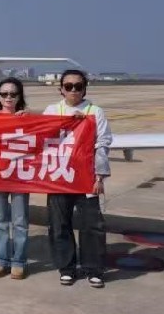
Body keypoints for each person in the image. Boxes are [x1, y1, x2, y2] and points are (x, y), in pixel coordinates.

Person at [42, 69, 113, 288]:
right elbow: (41, 135)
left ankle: (93, 268)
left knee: (92, 225)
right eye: (68, 86)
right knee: (59, 224)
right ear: (61, 89)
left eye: (78, 86)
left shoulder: (95, 112)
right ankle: (67, 268)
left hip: (86, 178)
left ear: (84, 89)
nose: (73, 90)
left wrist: (99, 177)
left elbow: (103, 144)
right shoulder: (52, 110)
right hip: (59, 176)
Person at [0, 77, 30, 279]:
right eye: (4, 94)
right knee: (0, 221)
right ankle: (1, 260)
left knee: (20, 221)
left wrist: (29, 119)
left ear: (19, 97)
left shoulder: (27, 119)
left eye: (13, 94)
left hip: (20, 176)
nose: (8, 98)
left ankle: (19, 261)